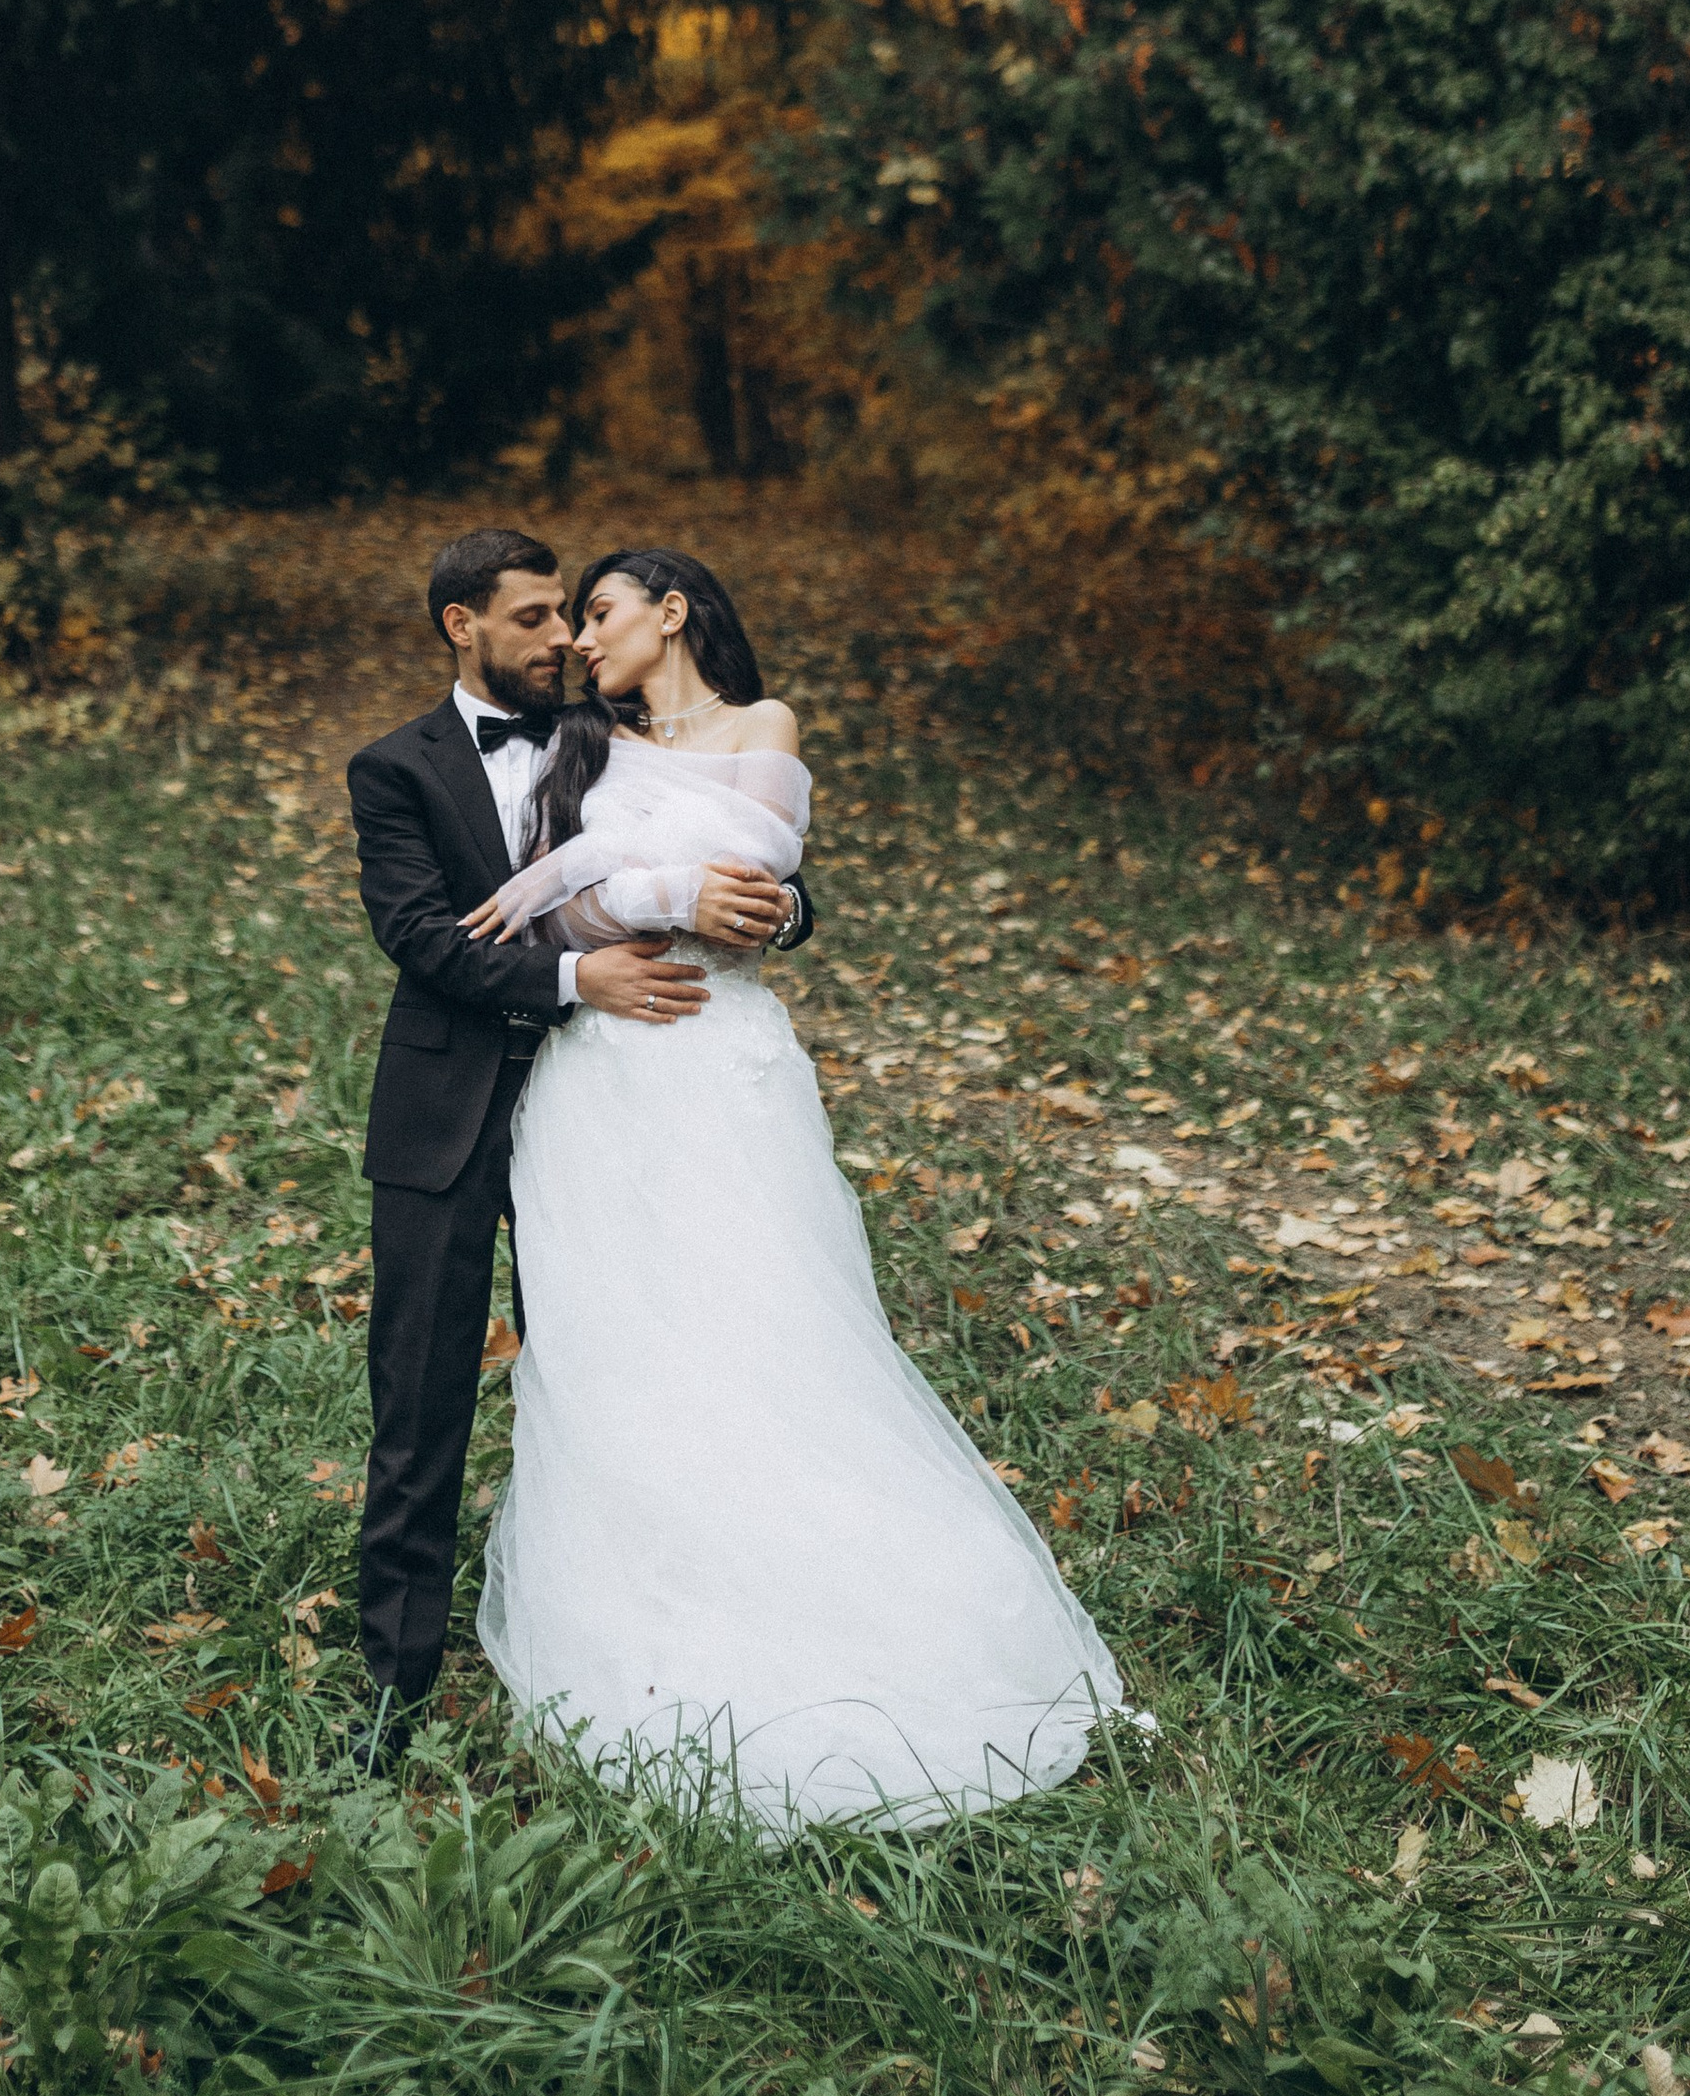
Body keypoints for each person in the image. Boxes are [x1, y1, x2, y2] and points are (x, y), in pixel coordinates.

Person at [464, 545, 1131, 1829]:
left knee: (766, 1326)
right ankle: (646, 1604)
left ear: (672, 612)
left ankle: (830, 1595)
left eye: (599, 615)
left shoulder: (762, 726)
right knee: (621, 1346)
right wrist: (632, 891)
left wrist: (662, 892)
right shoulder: (574, 748)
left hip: (721, 1065)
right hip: (598, 1082)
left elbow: (763, 877)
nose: (579, 643)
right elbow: (539, 920)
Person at [344, 527, 815, 1750]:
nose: (566, 640)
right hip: (450, 1112)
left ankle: (637, 1653)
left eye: (575, 616)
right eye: (537, 619)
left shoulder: (607, 733)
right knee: (421, 1393)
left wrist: (777, 905)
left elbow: (731, 829)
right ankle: (394, 1692)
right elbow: (425, 939)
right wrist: (572, 980)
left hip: (617, 1109)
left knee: (628, 1381)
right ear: (462, 625)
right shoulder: (393, 768)